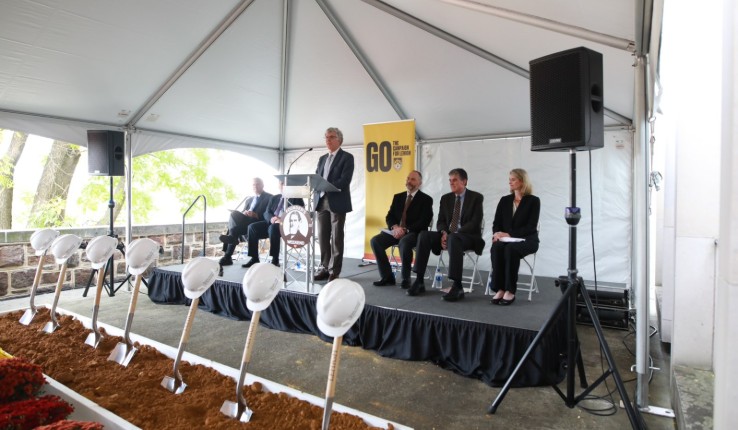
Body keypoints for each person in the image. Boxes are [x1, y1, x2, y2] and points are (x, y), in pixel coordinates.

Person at [407, 168, 484, 302]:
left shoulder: (476, 198)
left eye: (455, 180)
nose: (451, 183)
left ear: (464, 181)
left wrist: (452, 234)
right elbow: (441, 221)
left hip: (468, 236)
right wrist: (443, 233)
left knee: (454, 238)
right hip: (448, 236)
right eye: (450, 180)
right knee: (424, 235)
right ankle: (419, 281)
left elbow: (474, 222)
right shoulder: (446, 198)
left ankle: (457, 286)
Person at [370, 170, 434, 288]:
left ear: (420, 183)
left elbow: (424, 221)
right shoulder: (398, 197)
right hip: (396, 231)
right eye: (408, 178)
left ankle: (406, 278)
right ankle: (387, 276)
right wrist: (395, 227)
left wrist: (405, 230)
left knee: (404, 242)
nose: (409, 181)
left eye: (413, 179)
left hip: (414, 233)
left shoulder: (426, 199)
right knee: (375, 241)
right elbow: (390, 216)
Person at [489, 168, 540, 306]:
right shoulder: (505, 200)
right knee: (497, 247)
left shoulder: (533, 201)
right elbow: (496, 223)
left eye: (513, 179)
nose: (509, 182)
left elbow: (531, 227)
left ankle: (510, 290)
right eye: (509, 179)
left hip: (528, 239)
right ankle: (499, 288)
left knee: (510, 249)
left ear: (522, 181)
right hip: (507, 240)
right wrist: (496, 234)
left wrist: (509, 234)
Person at [313, 127, 354, 282]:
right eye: (326, 137)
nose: (327, 140)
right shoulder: (322, 158)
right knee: (323, 236)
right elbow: (317, 176)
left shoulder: (347, 157)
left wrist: (327, 186)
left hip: (337, 201)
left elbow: (345, 180)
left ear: (339, 140)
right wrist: (317, 185)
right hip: (321, 201)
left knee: (336, 237)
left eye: (331, 137)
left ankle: (334, 271)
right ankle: (324, 267)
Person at [241, 183, 305, 268]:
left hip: (286, 225)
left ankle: (275, 260)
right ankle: (254, 258)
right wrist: (272, 219)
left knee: (273, 228)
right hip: (271, 222)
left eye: (285, 184)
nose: (283, 185)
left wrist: (282, 218)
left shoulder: (296, 198)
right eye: (281, 184)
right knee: (252, 227)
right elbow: (266, 212)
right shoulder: (274, 198)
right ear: (279, 186)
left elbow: (299, 213)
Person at [218, 177, 273, 266]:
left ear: (262, 185)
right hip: (246, 222)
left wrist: (256, 215)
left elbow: (269, 214)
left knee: (234, 228)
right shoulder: (249, 200)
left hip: (259, 223)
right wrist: (245, 213)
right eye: (253, 185)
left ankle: (228, 254)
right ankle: (229, 250)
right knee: (233, 215)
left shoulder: (269, 198)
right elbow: (243, 213)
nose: (255, 186)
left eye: (257, 184)